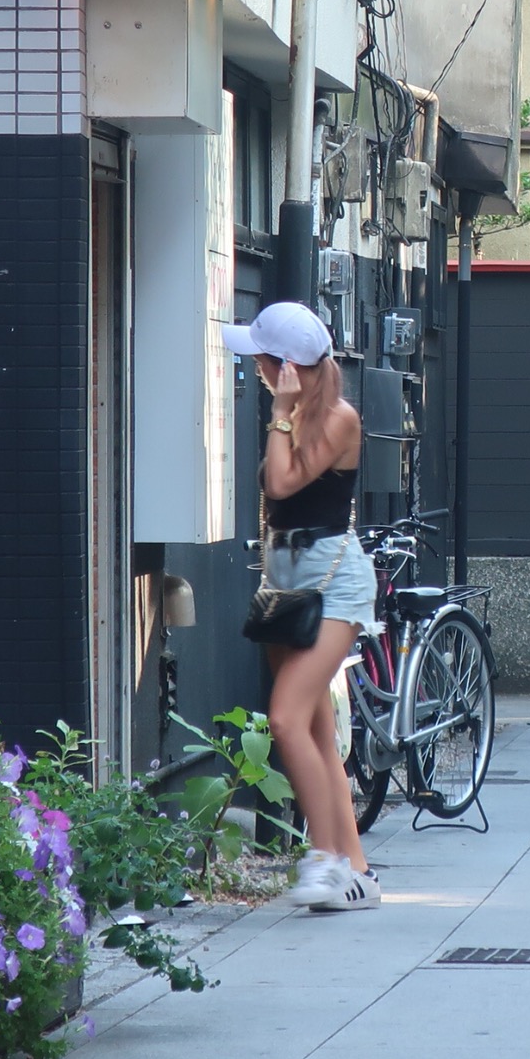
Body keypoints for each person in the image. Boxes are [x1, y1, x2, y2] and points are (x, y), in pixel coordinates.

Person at [220, 302, 380, 911]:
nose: (257, 372)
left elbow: (281, 484)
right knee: (313, 727)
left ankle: (325, 859)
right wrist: (285, 416)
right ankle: (357, 871)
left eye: (261, 362)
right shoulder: (297, 416)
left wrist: (280, 414)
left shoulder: (338, 418)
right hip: (286, 577)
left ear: (284, 366)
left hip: (334, 582)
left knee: (285, 718)